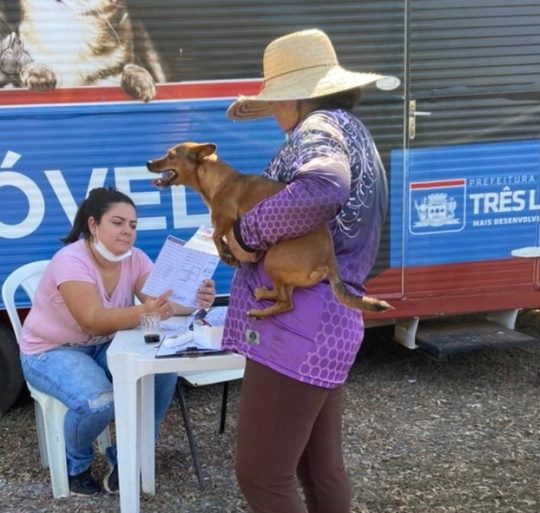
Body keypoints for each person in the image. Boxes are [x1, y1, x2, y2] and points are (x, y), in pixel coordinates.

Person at [221, 29, 391, 513]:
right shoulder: (350, 129)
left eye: (277, 102)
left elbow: (322, 187)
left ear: (298, 97)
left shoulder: (316, 131)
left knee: (261, 476)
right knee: (319, 470)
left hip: (298, 328)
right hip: (331, 323)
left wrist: (248, 235)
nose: (275, 116)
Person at [19, 187, 215, 497]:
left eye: (133, 225)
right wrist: (143, 311)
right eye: (118, 223)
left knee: (160, 370)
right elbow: (92, 320)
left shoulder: (134, 259)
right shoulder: (71, 260)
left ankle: (128, 456)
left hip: (101, 345)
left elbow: (163, 301)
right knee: (99, 403)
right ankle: (76, 464)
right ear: (94, 225)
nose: (127, 231)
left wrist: (196, 302)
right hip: (51, 351)